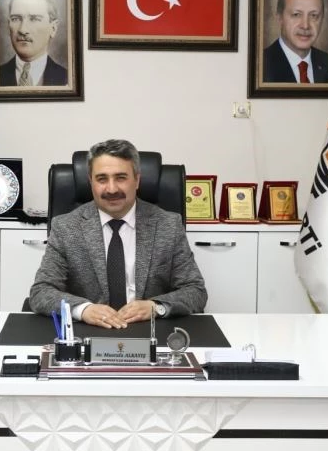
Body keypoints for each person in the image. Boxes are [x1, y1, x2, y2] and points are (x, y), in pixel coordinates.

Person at [29, 139, 208, 328]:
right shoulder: (65, 227)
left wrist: (156, 307)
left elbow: (195, 291)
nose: (112, 189)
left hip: (150, 331)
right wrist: (83, 310)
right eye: (102, 179)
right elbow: (41, 291)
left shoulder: (168, 225)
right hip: (89, 331)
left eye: (121, 178)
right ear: (90, 182)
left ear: (137, 180)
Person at [262, 0, 328, 84]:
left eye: (313, 15)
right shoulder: (261, 65)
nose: (305, 25)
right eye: (296, 15)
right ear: (280, 18)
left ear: (322, 20)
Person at [0, 0, 68, 87]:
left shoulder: (67, 79)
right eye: (16, 19)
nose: (23, 30)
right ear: (8, 25)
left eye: (34, 19)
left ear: (53, 28)